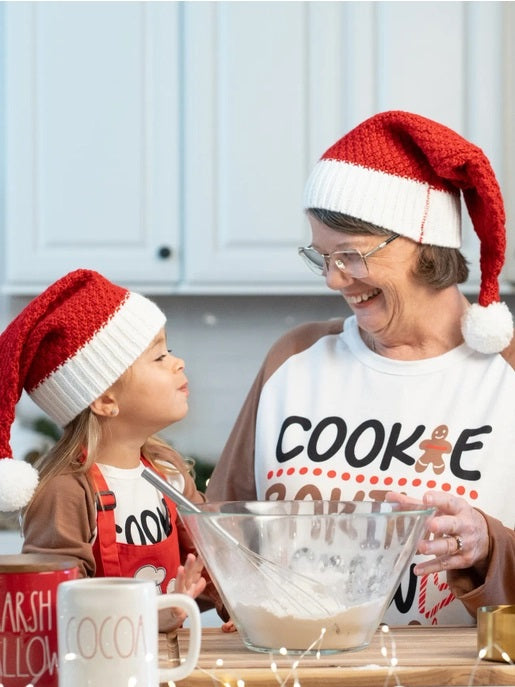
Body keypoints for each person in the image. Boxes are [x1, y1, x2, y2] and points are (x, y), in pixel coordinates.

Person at [207, 110, 515, 625]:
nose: (334, 279)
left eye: (349, 254)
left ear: (422, 243)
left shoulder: (505, 370)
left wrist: (489, 545)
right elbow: (218, 536)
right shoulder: (294, 359)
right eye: (322, 256)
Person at [0, 269, 231, 632]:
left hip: (169, 657)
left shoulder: (167, 472)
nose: (178, 362)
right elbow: (57, 600)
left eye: (168, 350)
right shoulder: (67, 491)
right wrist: (153, 616)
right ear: (106, 400)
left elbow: (205, 559)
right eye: (159, 357)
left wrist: (232, 604)